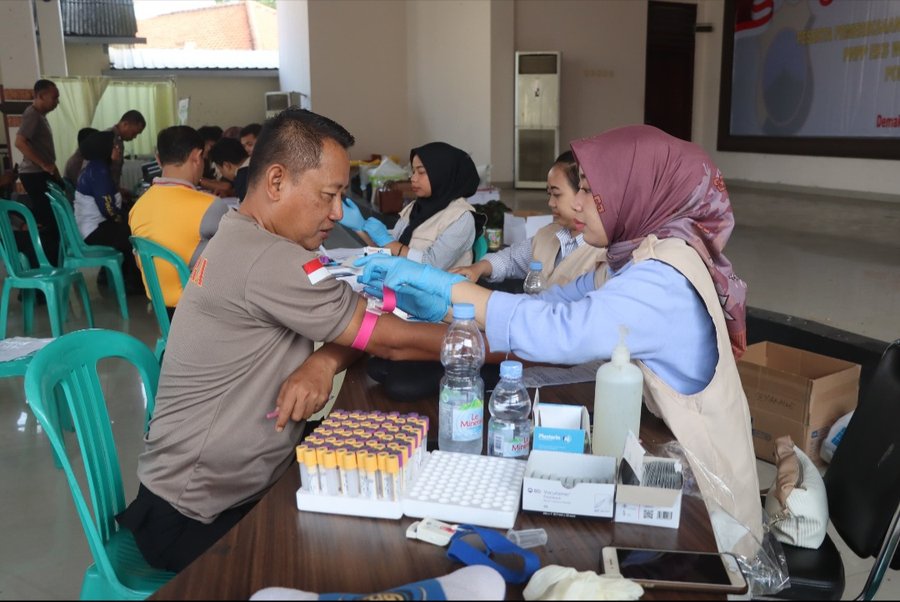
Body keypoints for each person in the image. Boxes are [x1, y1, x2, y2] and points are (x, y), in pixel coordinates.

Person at [357, 125, 762, 549]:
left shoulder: (662, 278)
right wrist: (448, 306)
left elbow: (561, 331)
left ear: (637, 191)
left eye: (591, 191)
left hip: (709, 517)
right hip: (664, 473)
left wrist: (442, 285)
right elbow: (555, 304)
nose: (578, 204)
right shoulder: (638, 257)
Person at [116, 108, 450, 572]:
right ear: (276, 181)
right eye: (329, 196)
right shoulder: (268, 259)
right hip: (196, 514)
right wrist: (503, 338)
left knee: (381, 467)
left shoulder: (242, 233)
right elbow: (388, 339)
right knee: (367, 551)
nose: (337, 213)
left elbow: (361, 318)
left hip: (241, 479)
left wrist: (323, 362)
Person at [452, 151, 607, 288]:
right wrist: (479, 268)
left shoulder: (603, 253)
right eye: (549, 194)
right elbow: (511, 259)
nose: (550, 203)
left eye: (557, 194)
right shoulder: (548, 234)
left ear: (584, 193)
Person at [128, 125, 230, 314]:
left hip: (162, 309)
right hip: (201, 312)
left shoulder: (138, 207)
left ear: (158, 160)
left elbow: (139, 262)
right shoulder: (211, 206)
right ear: (197, 157)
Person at [344, 142, 479, 270]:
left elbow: (432, 265)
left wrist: (388, 242)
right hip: (403, 284)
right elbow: (389, 251)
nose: (413, 178)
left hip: (438, 294)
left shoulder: (461, 218)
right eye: (413, 172)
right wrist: (360, 227)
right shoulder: (415, 207)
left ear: (442, 174)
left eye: (421, 172)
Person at [72, 130, 143, 293]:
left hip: (90, 226)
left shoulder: (95, 168)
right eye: (114, 147)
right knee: (135, 233)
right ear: (103, 151)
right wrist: (125, 219)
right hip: (93, 230)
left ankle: (110, 276)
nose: (118, 149)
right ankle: (133, 283)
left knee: (126, 227)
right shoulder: (99, 172)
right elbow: (108, 209)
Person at [15, 78, 62, 265]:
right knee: (47, 222)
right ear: (41, 96)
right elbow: (19, 142)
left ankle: (48, 260)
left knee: (50, 220)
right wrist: (44, 164)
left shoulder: (40, 116)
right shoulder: (32, 114)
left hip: (40, 173)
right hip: (34, 174)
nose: (57, 101)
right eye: (54, 97)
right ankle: (43, 263)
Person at [208, 137, 249, 202]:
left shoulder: (242, 177)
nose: (222, 174)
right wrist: (231, 193)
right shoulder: (257, 163)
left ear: (226, 165)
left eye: (220, 169)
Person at [197, 125, 232, 196]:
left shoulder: (223, 160)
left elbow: (226, 186)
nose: (203, 149)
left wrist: (196, 180)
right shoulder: (204, 161)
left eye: (210, 146)